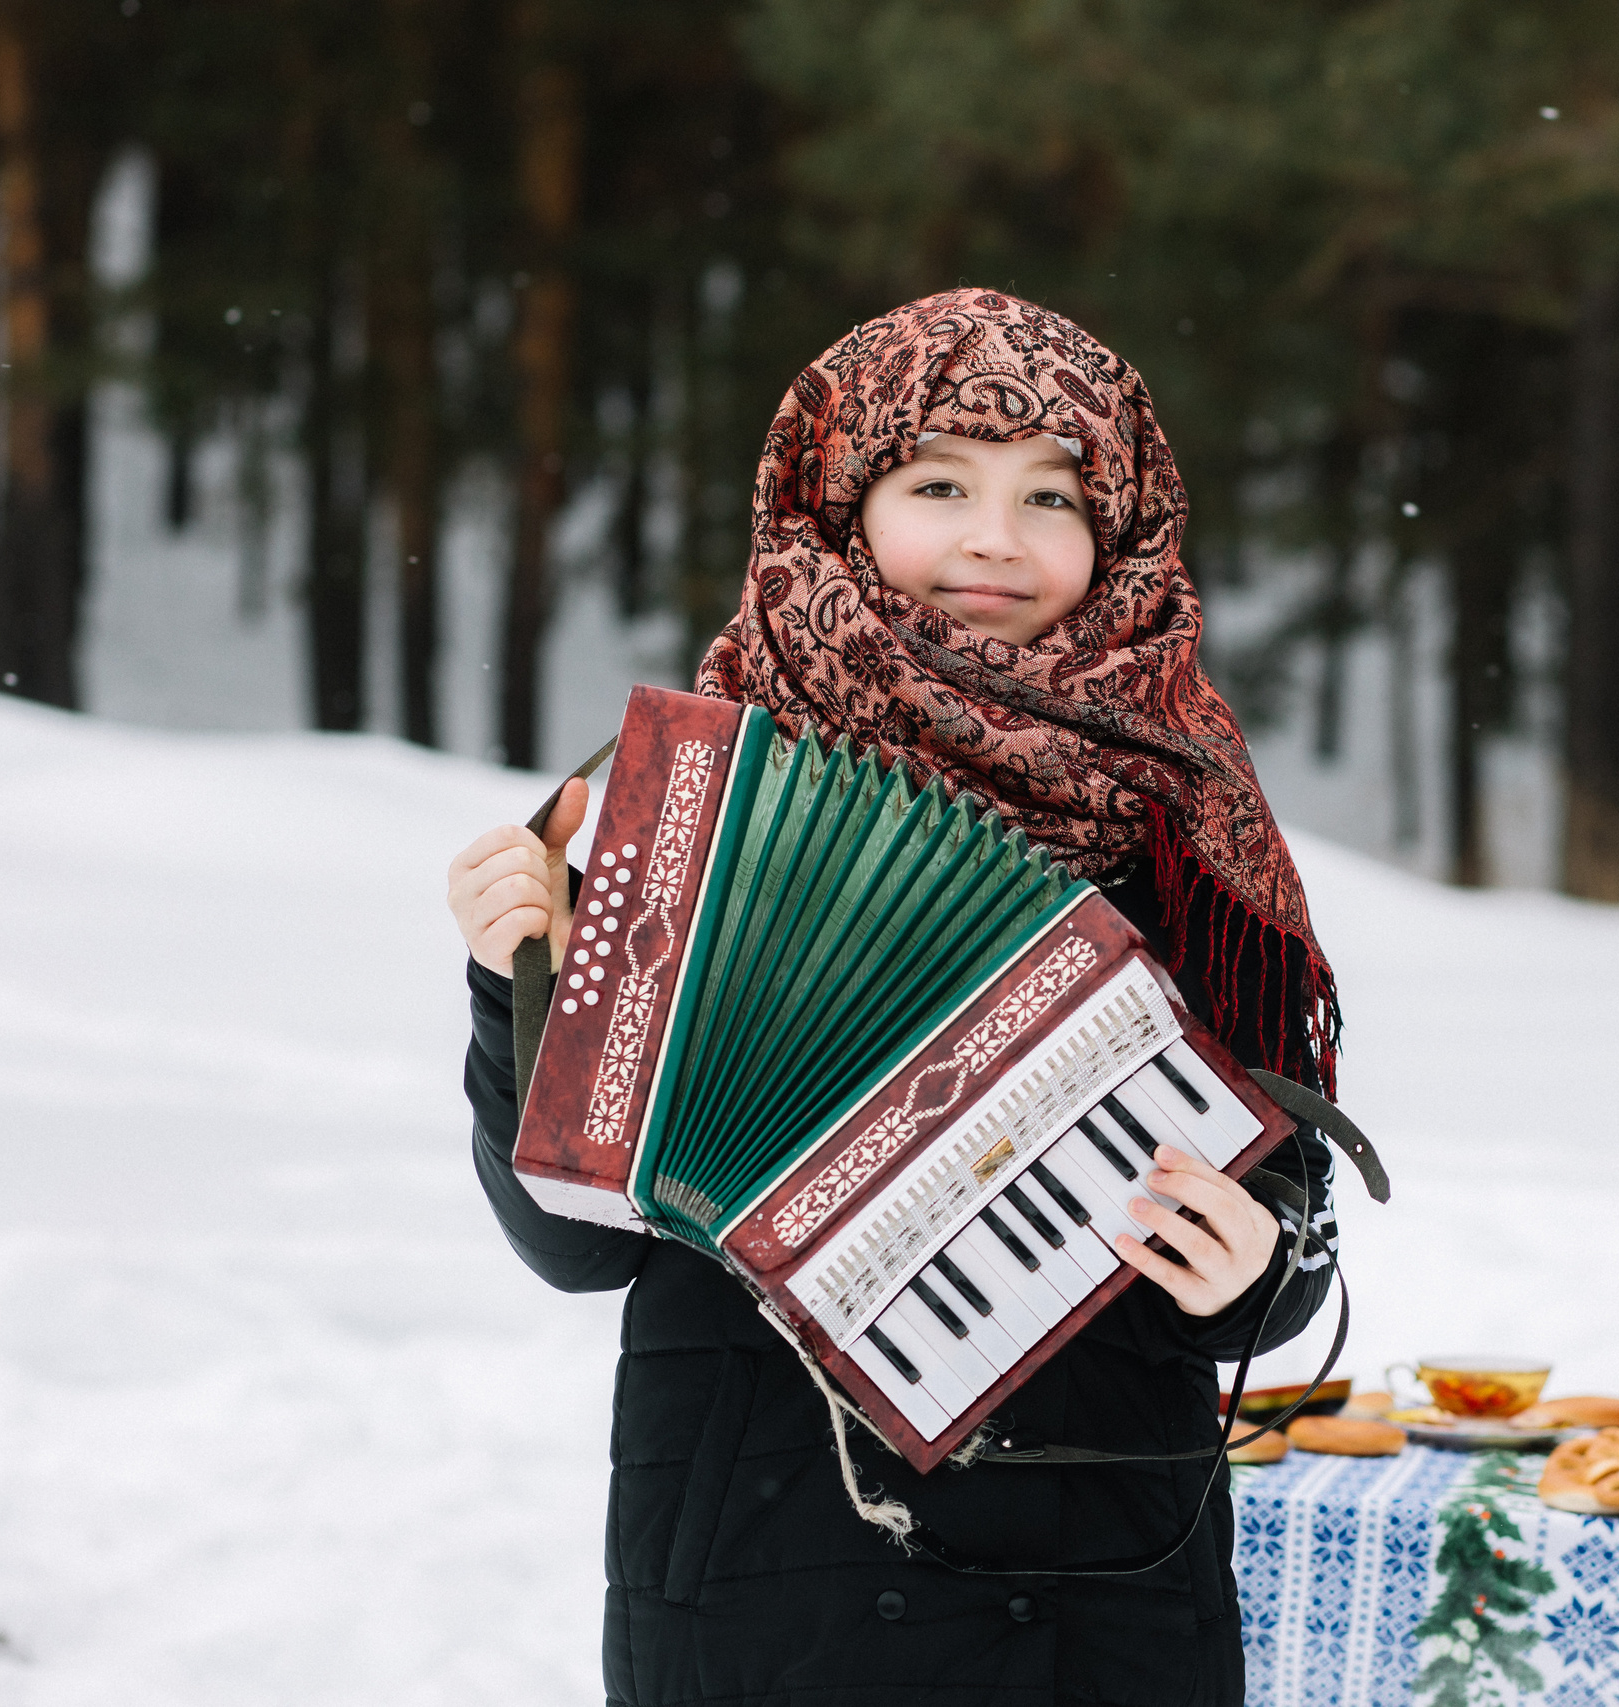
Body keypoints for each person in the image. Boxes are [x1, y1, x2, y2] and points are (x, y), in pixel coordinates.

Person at [446, 289, 1343, 1707]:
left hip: (1107, 1589)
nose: (997, 538)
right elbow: (578, 1244)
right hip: (772, 1581)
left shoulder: (1189, 833)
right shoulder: (680, 811)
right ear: (836, 505)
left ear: (1119, 534)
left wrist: (1258, 1271)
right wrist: (514, 993)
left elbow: (1280, 1253)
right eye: (940, 484)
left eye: (1053, 496)